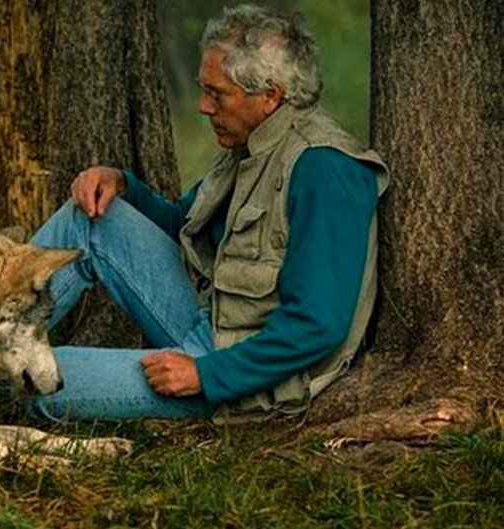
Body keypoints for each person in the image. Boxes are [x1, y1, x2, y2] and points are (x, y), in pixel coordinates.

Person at [26, 4, 389, 423]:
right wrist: (123, 186)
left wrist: (205, 374)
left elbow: (318, 324)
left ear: (270, 95)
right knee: (87, 218)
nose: (202, 106)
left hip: (242, 372)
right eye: (204, 89)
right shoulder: (253, 140)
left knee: (43, 381)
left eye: (217, 94)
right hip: (209, 317)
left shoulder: (324, 169)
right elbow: (186, 226)